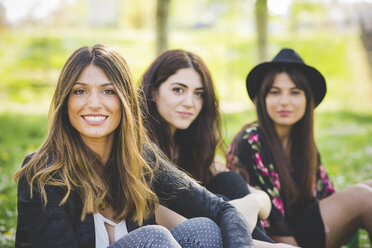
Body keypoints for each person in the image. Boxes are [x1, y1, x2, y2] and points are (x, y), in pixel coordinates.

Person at [13, 44, 255, 248]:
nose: (94, 103)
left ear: (126, 100)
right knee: (154, 237)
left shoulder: (142, 159)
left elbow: (222, 210)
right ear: (65, 101)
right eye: (80, 91)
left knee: (204, 229)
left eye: (108, 91)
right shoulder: (44, 173)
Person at [139, 49, 296, 248]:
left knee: (229, 181)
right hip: (179, 239)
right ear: (153, 91)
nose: (189, 103)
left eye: (199, 94)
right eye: (178, 89)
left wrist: (251, 204)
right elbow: (192, 230)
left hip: (221, 235)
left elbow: (262, 200)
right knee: (220, 204)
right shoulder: (141, 149)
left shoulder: (190, 147)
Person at [227, 48, 372, 248]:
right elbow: (269, 221)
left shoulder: (301, 141)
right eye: (275, 92)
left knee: (369, 188)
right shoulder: (250, 141)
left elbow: (326, 196)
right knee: (363, 197)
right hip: (275, 240)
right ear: (263, 98)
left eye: (295, 92)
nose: (284, 102)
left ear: (307, 99)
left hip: (306, 227)